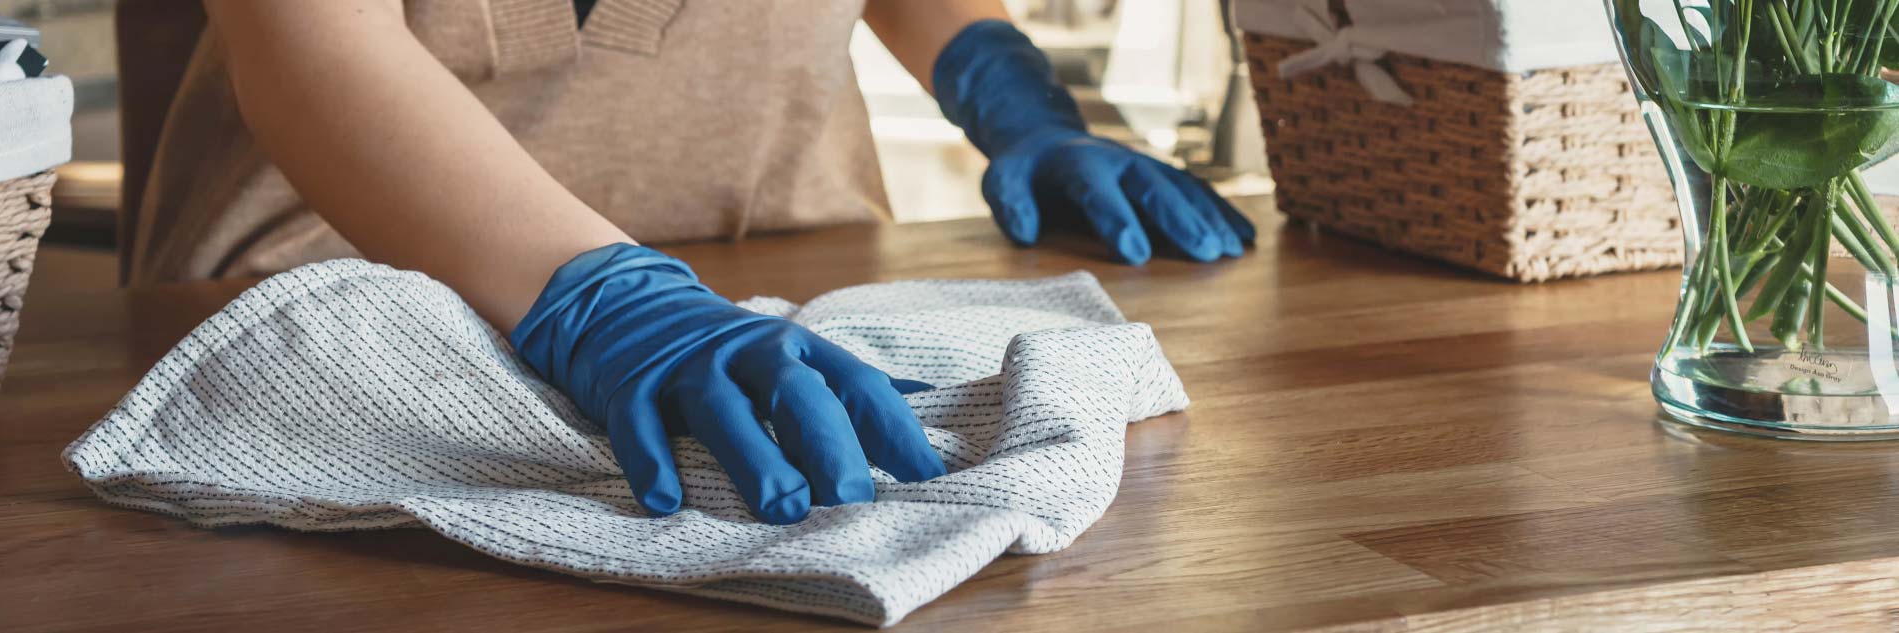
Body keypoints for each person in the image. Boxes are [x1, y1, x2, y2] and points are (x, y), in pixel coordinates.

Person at [137, 0, 1254, 524]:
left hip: (788, 307)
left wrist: (1009, 94)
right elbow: (312, 42)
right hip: (335, 344)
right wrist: (609, 296)